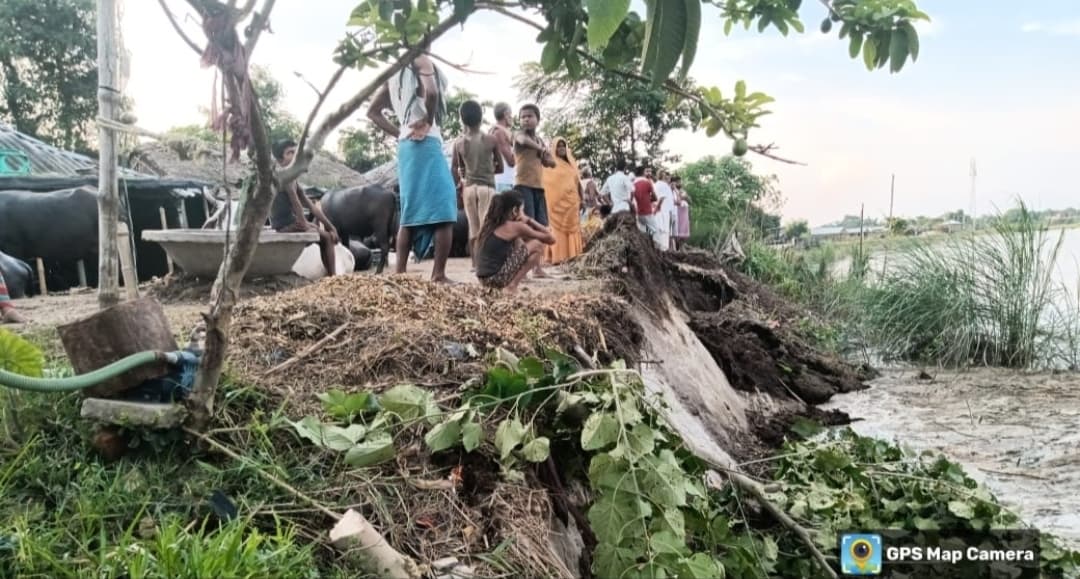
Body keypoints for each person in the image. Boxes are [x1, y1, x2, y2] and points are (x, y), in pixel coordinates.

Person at [367, 52, 458, 283]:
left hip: (406, 146)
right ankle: (438, 274)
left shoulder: (395, 74)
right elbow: (433, 92)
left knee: (409, 212)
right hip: (425, 143)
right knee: (445, 208)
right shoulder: (420, 60)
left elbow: (372, 112)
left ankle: (400, 274)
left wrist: (401, 132)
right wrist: (427, 121)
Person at [271, 139, 339, 276]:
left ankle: (331, 275)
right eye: (289, 153)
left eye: (295, 152)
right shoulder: (283, 177)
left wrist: (332, 227)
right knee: (325, 238)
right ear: (279, 159)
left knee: (326, 234)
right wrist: (304, 225)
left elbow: (311, 206)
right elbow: (296, 204)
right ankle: (333, 276)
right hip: (284, 225)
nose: (294, 156)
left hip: (293, 222)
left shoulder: (293, 179)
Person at [452, 100, 504, 271]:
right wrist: (489, 171)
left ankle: (474, 263)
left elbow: (455, 168)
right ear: (481, 117)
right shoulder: (491, 139)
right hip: (487, 187)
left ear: (462, 120)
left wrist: (461, 181)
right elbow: (501, 167)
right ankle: (486, 261)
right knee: (487, 227)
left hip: (469, 189)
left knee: (473, 227)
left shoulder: (459, 143)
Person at [474, 188, 555, 293]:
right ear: (515, 211)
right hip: (496, 279)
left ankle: (509, 284)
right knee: (537, 244)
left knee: (519, 241)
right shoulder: (515, 227)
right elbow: (550, 239)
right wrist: (530, 220)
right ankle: (512, 285)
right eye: (522, 210)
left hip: (483, 280)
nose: (523, 214)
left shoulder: (490, 225)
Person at [513, 104, 556, 277]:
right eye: (523, 117)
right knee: (527, 227)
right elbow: (523, 142)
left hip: (538, 188)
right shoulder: (519, 135)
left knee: (541, 226)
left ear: (538, 119)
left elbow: (550, 163)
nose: (526, 119)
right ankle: (522, 268)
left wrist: (547, 156)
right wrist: (542, 150)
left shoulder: (539, 140)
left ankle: (537, 268)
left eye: (530, 116)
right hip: (523, 186)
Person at [540, 137, 584, 265]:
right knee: (558, 231)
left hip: (572, 203)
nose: (561, 148)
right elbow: (547, 184)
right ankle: (558, 257)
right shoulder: (550, 165)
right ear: (554, 148)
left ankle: (572, 255)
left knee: (572, 230)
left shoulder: (572, 164)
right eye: (558, 146)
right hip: (556, 206)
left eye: (563, 146)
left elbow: (577, 182)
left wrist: (582, 198)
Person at [632, 165, 662, 249]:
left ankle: (646, 248)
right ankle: (658, 251)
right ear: (642, 173)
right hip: (647, 211)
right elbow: (655, 197)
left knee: (644, 231)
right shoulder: (647, 182)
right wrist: (649, 199)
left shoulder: (633, 184)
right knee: (656, 232)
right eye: (646, 171)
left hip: (638, 213)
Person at [490, 102, 516, 193]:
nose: (512, 117)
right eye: (511, 114)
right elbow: (511, 161)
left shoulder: (495, 131)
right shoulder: (499, 133)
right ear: (506, 114)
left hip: (503, 182)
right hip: (503, 183)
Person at [653, 170, 676, 251]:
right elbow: (662, 198)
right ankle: (663, 250)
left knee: (658, 230)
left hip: (658, 211)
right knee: (664, 232)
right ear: (663, 176)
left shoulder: (655, 185)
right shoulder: (664, 186)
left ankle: (658, 249)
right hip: (663, 211)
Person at [673, 175, 691, 249]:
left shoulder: (683, 190)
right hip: (677, 213)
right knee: (678, 231)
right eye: (677, 182)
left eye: (680, 181)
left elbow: (689, 200)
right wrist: (682, 196)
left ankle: (682, 246)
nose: (680, 183)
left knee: (684, 230)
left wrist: (686, 197)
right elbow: (679, 199)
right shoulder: (673, 191)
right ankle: (677, 247)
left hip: (684, 213)